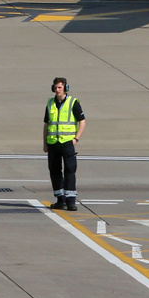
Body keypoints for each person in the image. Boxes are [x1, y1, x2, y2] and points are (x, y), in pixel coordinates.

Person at [43, 77, 85, 211]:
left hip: (67, 142)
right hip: (53, 143)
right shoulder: (50, 103)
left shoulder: (73, 103)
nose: (57, 90)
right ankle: (60, 199)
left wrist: (76, 139)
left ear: (65, 88)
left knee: (70, 170)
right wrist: (45, 143)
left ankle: (71, 201)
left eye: (60, 87)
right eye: (55, 87)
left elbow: (82, 122)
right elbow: (46, 124)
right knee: (55, 172)